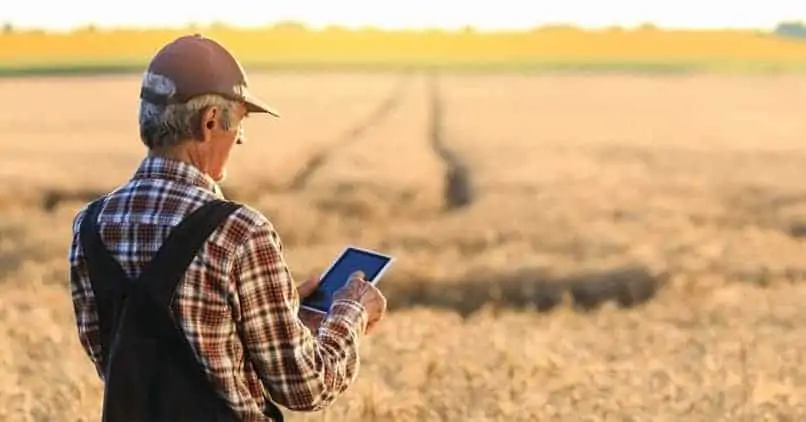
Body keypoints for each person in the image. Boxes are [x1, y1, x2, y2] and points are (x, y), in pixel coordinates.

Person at [68, 34, 387, 422]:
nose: (241, 138)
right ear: (210, 122)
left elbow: (126, 362)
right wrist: (351, 310)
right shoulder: (240, 232)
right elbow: (306, 386)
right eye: (239, 122)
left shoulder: (89, 226)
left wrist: (287, 317)